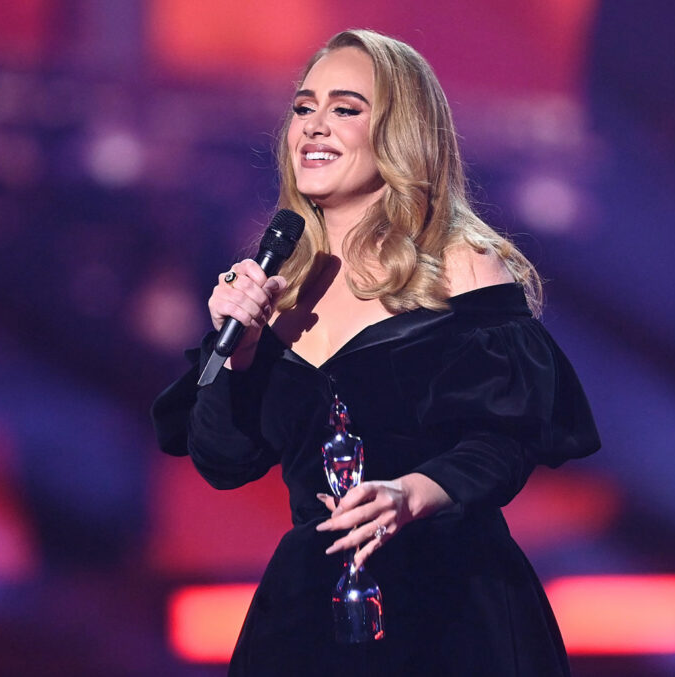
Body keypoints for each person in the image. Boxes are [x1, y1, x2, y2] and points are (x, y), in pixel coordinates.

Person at [152, 29, 600, 676]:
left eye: (345, 108)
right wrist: (240, 352)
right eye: (303, 108)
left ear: (400, 131)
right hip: (310, 619)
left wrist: (413, 493)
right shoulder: (277, 289)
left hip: (450, 609)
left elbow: (508, 439)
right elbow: (222, 460)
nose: (314, 126)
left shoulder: (461, 267)